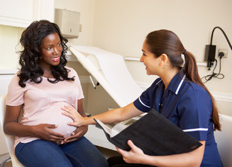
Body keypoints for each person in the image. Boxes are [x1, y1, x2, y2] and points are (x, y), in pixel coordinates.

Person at [62, 29, 223, 167]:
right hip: (168, 157)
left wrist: (145, 159)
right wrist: (83, 121)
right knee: (111, 162)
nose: (141, 59)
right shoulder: (159, 86)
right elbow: (123, 113)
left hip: (194, 164)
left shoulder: (193, 97)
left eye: (144, 54)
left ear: (162, 59)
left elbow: (194, 160)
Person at [4, 20, 108, 167]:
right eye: (49, 47)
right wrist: (36, 131)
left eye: (58, 44)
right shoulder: (22, 78)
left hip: (69, 140)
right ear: (36, 49)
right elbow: (9, 125)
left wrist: (83, 128)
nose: (56, 51)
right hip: (33, 140)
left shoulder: (71, 74)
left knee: (100, 164)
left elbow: (82, 115)